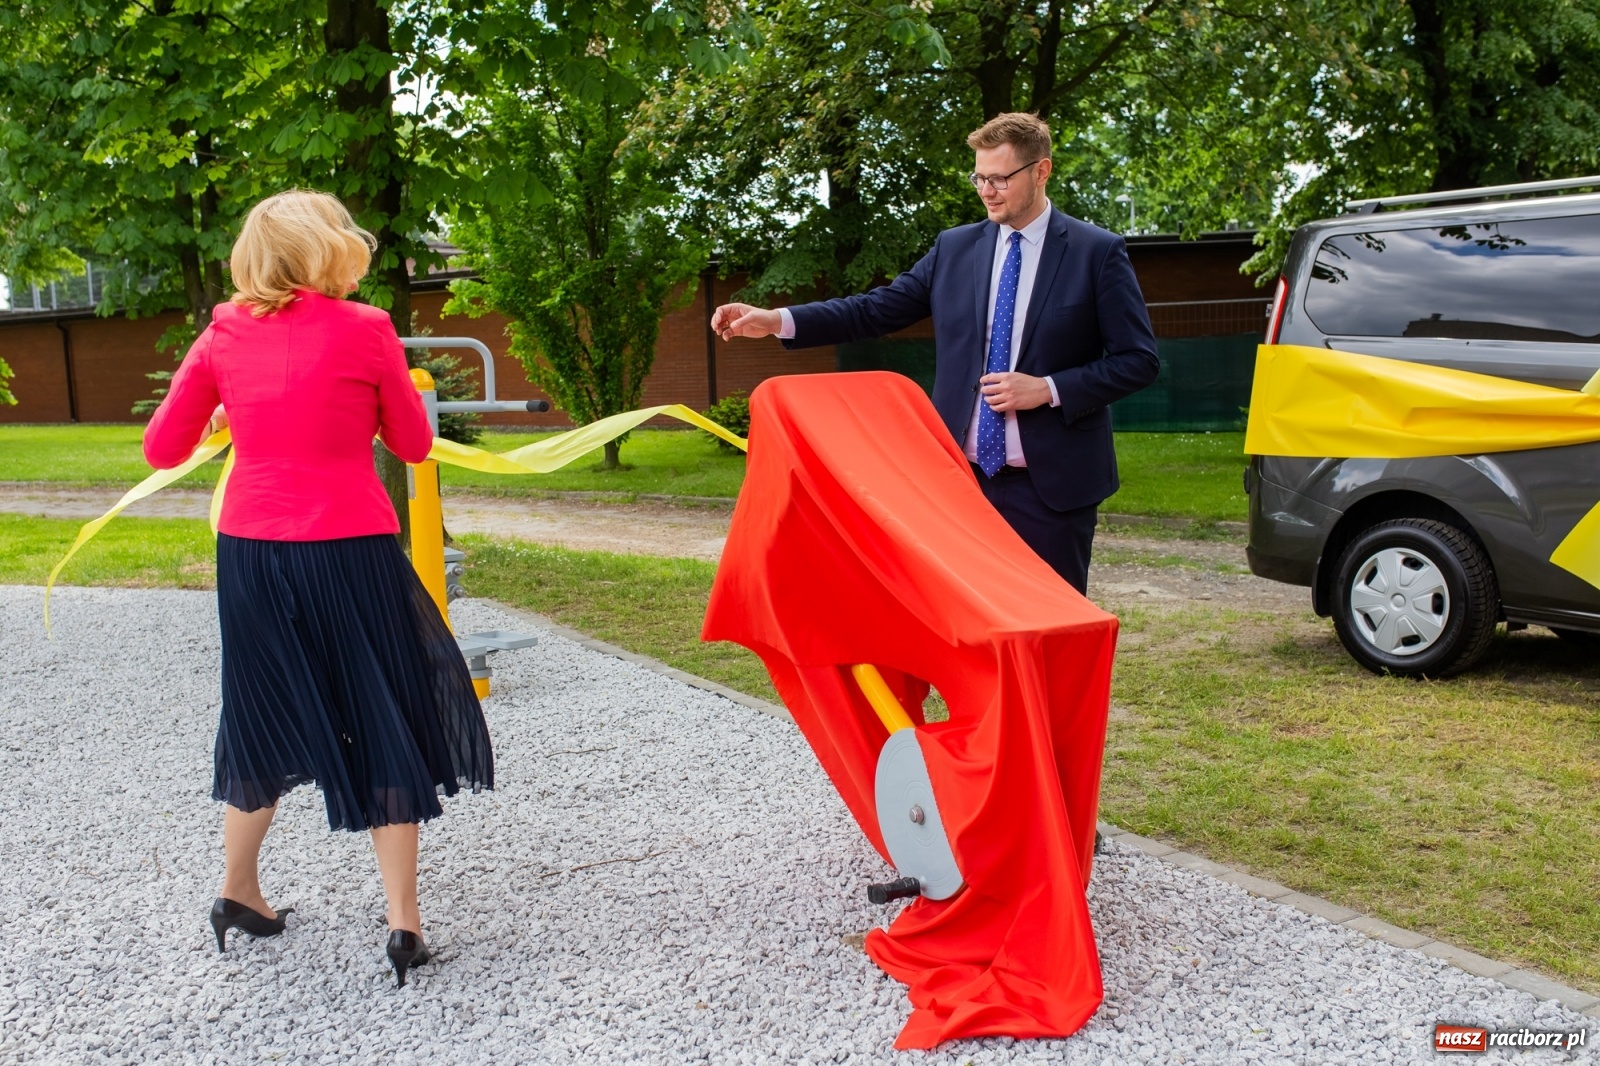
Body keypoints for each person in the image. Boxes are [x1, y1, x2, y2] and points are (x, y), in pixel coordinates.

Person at [142, 189, 493, 988]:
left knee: (260, 713)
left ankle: (238, 891)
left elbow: (162, 448)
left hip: (253, 555)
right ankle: (403, 924)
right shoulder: (367, 330)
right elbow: (412, 441)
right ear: (331, 248)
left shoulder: (224, 331)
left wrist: (235, 418)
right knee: (380, 707)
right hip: (350, 549)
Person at [712, 112, 1161, 594]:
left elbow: (1138, 360)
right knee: (966, 630)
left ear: (1041, 171)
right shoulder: (955, 248)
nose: (987, 190)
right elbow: (875, 309)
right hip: (958, 483)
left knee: (1050, 633)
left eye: (1000, 178)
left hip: (1052, 490)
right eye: (979, 178)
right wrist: (776, 319)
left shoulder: (1097, 252)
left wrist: (1048, 389)